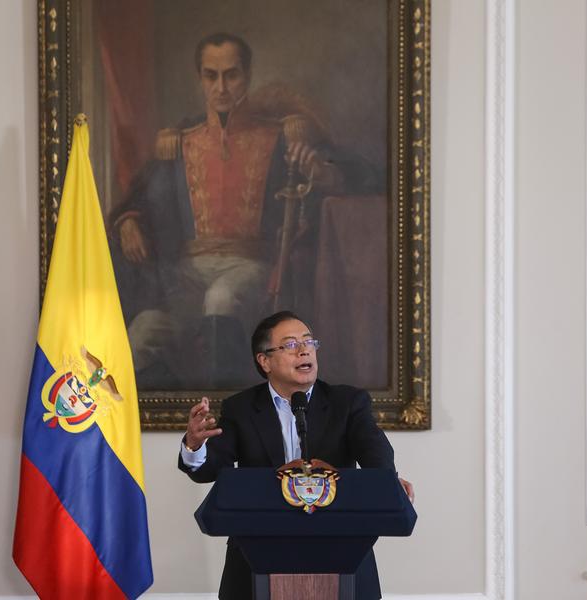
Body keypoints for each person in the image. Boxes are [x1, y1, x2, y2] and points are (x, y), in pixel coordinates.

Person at [110, 32, 357, 389]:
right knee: (143, 333)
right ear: (200, 79)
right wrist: (128, 221)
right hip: (187, 275)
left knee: (221, 297)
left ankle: (222, 408)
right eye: (211, 76)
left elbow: (349, 173)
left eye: (232, 75)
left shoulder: (280, 136)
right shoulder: (181, 141)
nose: (221, 87)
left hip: (251, 268)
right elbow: (139, 198)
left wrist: (322, 171)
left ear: (248, 75)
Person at [178, 310, 415, 600]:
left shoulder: (348, 402)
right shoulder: (241, 408)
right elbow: (211, 470)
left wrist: (386, 483)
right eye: (290, 344)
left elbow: (374, 451)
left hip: (343, 555)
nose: (304, 350)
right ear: (264, 361)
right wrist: (194, 446)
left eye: (309, 341)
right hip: (255, 557)